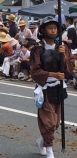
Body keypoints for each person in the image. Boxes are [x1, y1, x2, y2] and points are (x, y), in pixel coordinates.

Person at [30, 16, 74, 157]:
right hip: (44, 88)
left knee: (55, 121)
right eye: (50, 27)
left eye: (55, 28)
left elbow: (70, 69)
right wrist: (53, 74)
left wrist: (64, 57)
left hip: (59, 87)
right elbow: (35, 71)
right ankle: (49, 149)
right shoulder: (37, 49)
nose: (53, 30)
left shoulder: (63, 47)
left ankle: (42, 139)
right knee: (48, 120)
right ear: (43, 30)